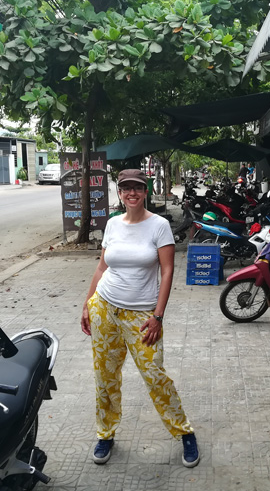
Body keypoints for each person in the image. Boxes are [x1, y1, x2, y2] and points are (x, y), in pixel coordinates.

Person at [80, 169, 199, 468]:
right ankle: (105, 433)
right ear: (119, 193)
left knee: (154, 375)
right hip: (104, 308)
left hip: (143, 314)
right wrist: (86, 304)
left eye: (137, 188)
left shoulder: (159, 226)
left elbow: (167, 270)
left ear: (145, 191)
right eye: (126, 188)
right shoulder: (112, 224)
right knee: (105, 377)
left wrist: (158, 316)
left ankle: (184, 432)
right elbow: (101, 267)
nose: (131, 193)